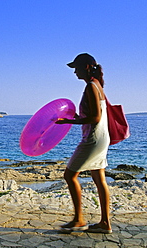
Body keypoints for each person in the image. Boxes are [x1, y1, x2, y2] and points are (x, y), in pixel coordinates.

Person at [55, 53, 112, 234]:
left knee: (69, 175)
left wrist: (68, 122)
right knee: (99, 179)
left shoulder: (90, 86)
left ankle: (79, 219)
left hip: (93, 139)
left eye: (76, 68)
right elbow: (94, 115)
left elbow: (95, 117)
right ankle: (104, 223)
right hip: (103, 137)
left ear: (86, 67)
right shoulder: (98, 85)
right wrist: (79, 118)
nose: (74, 72)